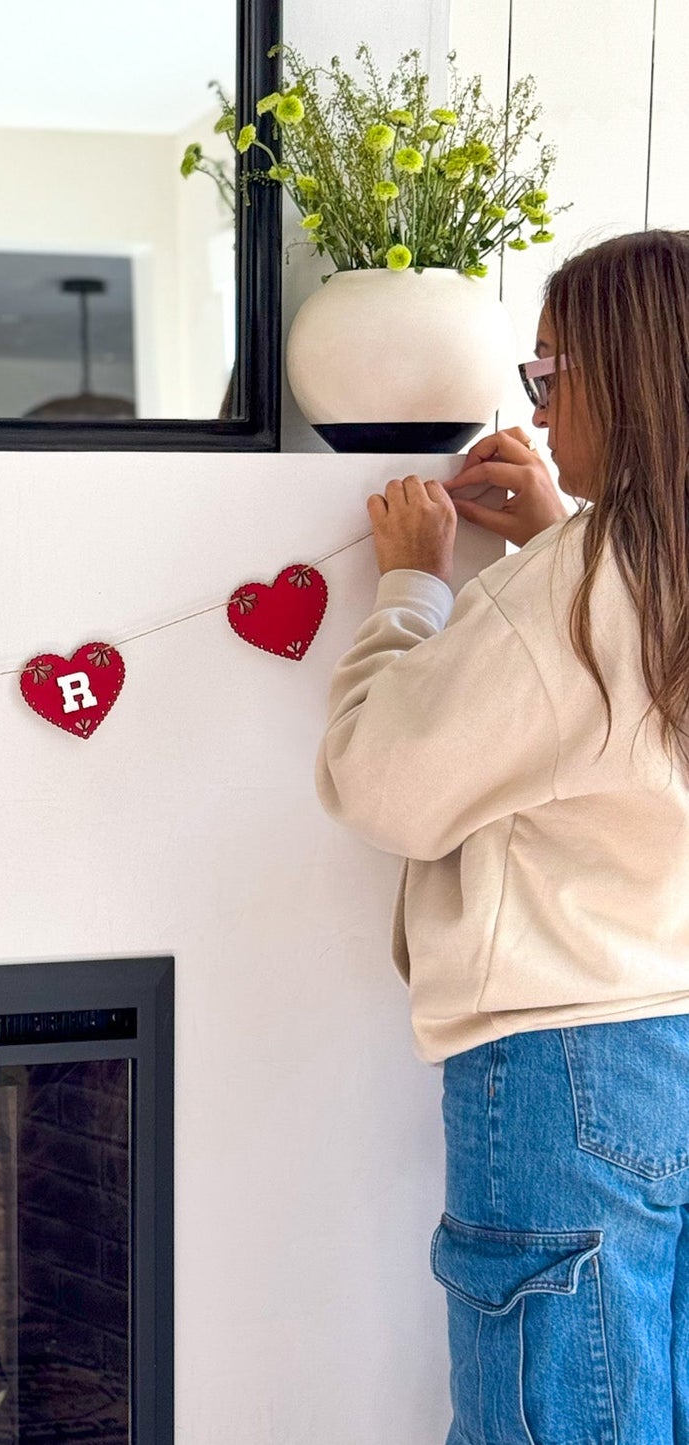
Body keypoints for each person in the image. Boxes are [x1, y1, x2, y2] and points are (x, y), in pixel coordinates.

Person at [315, 229, 689, 1443]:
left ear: (618, 377)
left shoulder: (579, 589)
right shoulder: (642, 569)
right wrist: (551, 532)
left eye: (546, 374)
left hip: (566, 1065)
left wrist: (414, 585)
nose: (537, 403)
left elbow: (381, 782)